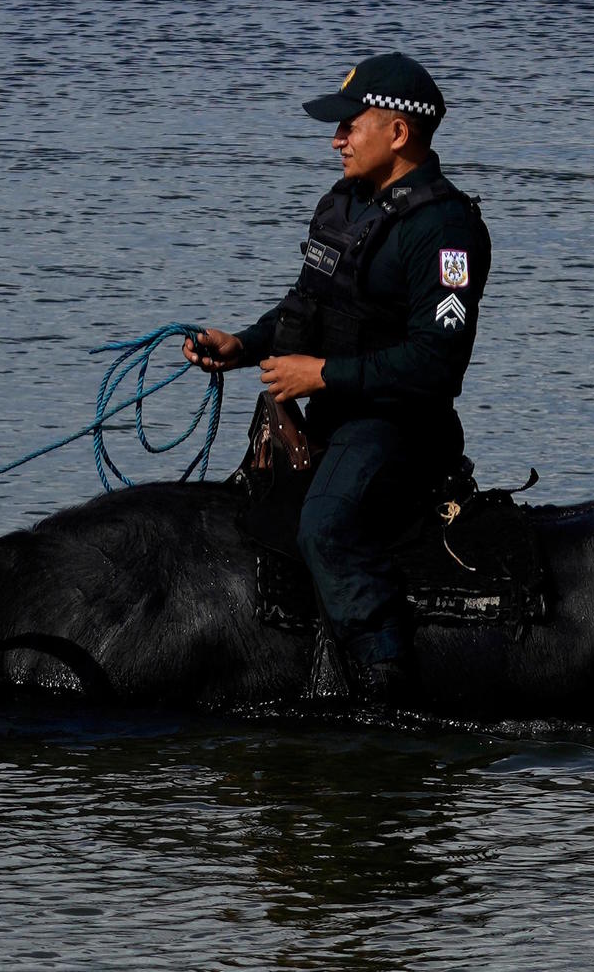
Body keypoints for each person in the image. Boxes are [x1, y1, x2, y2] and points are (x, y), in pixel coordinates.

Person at [185, 52, 491, 698]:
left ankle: (386, 685)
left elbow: (437, 362)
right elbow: (305, 308)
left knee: (325, 526)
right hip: (334, 413)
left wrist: (321, 375)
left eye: (351, 123)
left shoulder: (445, 231)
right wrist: (241, 345)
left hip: (401, 426)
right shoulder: (345, 202)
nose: (337, 138)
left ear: (399, 133)